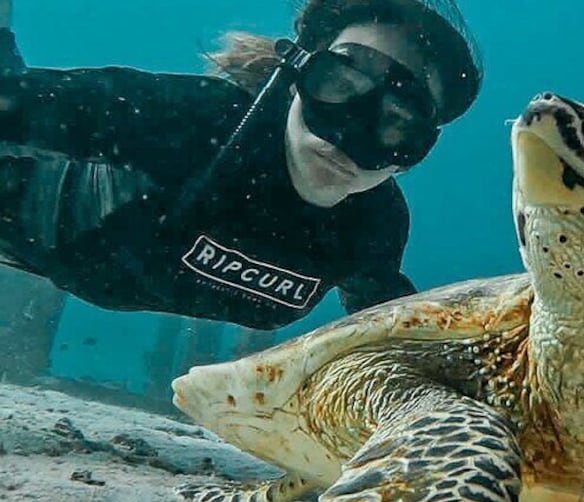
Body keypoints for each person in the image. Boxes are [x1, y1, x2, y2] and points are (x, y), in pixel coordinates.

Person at [0, 0, 482, 330]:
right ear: (298, 76)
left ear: (414, 154)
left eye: (397, 123)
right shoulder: (193, 121)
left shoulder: (373, 227)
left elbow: (387, 328)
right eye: (339, 84)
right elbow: (16, 104)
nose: (347, 136)